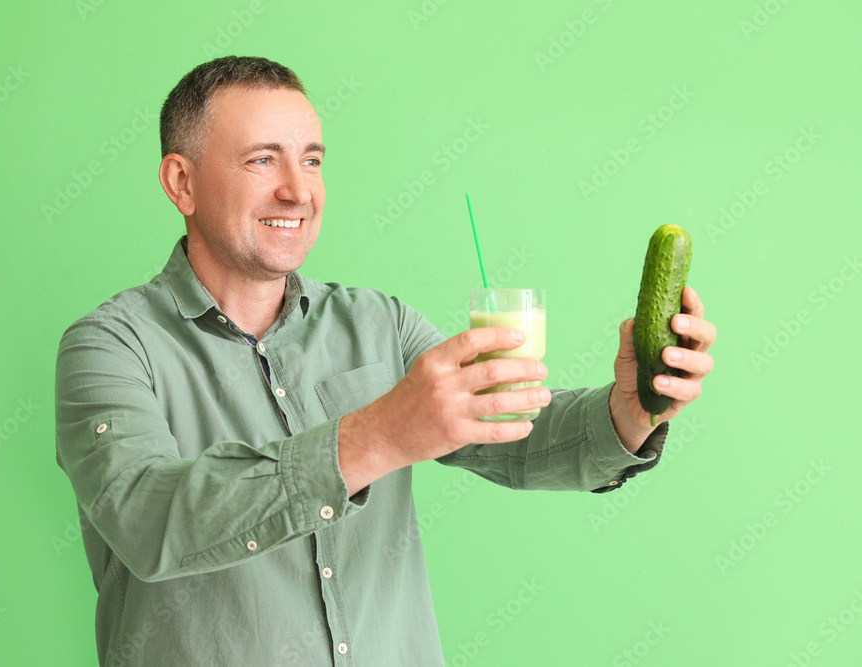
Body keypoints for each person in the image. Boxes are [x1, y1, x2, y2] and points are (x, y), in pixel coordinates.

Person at [54, 55, 717, 666]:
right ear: (182, 181)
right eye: (262, 160)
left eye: (311, 161)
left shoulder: (381, 323)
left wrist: (625, 412)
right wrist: (377, 434)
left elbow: (510, 435)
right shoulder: (108, 347)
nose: (297, 190)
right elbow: (147, 519)